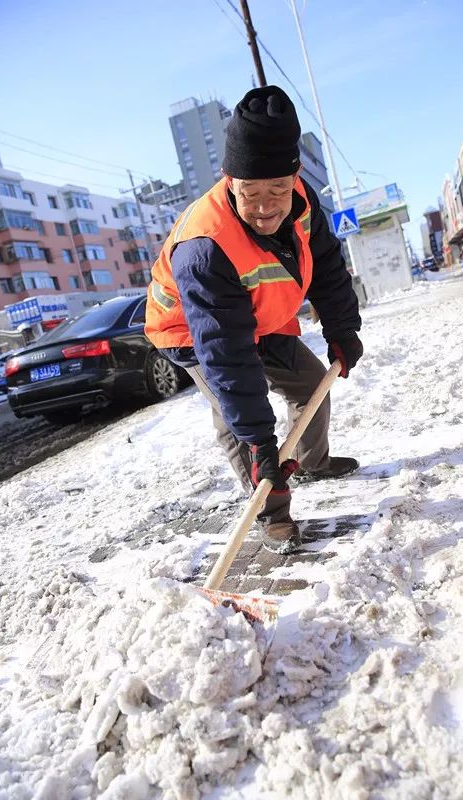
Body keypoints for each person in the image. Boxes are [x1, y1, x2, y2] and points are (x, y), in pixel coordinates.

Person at [145, 85, 363, 553]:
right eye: (250, 194)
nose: (266, 207)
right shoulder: (204, 244)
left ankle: (311, 462)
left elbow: (325, 263)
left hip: (258, 317)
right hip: (189, 330)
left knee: (310, 383)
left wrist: (343, 328)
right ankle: (271, 509)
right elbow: (226, 353)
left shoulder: (303, 200)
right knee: (235, 415)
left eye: (277, 191)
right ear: (229, 180)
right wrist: (263, 443)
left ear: (295, 177)